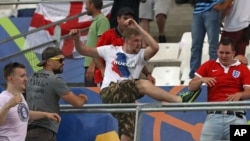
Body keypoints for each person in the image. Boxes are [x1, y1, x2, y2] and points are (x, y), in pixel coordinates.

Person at [70, 18, 201, 141]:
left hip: (126, 100)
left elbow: (155, 47)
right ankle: (179, 100)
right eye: (135, 41)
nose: (139, 44)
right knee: (143, 84)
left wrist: (138, 28)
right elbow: (84, 50)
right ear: (125, 41)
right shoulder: (110, 50)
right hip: (110, 92)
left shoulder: (140, 56)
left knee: (128, 133)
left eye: (140, 41)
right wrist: (76, 40)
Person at [188, 37, 250, 141]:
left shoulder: (243, 68)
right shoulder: (208, 65)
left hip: (237, 117)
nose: (224, 56)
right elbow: (191, 87)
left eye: (227, 53)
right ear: (217, 51)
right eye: (221, 52)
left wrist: (240, 94)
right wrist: (201, 80)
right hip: (213, 117)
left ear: (233, 53)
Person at [25, 47, 88, 141]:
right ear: (49, 62)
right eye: (60, 60)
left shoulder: (31, 78)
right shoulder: (55, 80)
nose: (63, 63)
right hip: (44, 131)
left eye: (64, 60)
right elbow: (77, 103)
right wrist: (83, 98)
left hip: (28, 129)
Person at [94, 7, 155, 85]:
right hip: (106, 79)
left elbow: (137, 59)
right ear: (118, 19)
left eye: (130, 20)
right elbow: (95, 54)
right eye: (125, 18)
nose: (127, 22)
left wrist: (148, 74)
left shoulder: (134, 39)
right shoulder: (108, 35)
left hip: (125, 80)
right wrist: (102, 70)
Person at [0, 62, 61, 141]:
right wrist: (8, 106)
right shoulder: (2, 98)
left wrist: (46, 115)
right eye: (22, 76)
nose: (26, 79)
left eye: (25, 75)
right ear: (11, 79)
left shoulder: (20, 96)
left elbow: (24, 114)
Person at [189, 0, 228, 79]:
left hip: (211, 10)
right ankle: (194, 74)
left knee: (213, 45)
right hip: (197, 11)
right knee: (195, 45)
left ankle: (213, 72)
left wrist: (221, 4)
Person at [83, 0, 110, 86]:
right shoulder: (97, 21)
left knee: (94, 97)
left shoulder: (102, 20)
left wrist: (93, 64)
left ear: (92, 5)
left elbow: (101, 45)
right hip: (92, 66)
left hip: (95, 67)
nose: (85, 7)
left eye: (87, 4)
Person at [221, 0, 250, 65]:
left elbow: (228, 5)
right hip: (245, 25)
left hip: (232, 26)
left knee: (224, 55)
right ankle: (241, 74)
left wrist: (220, 19)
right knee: (240, 58)